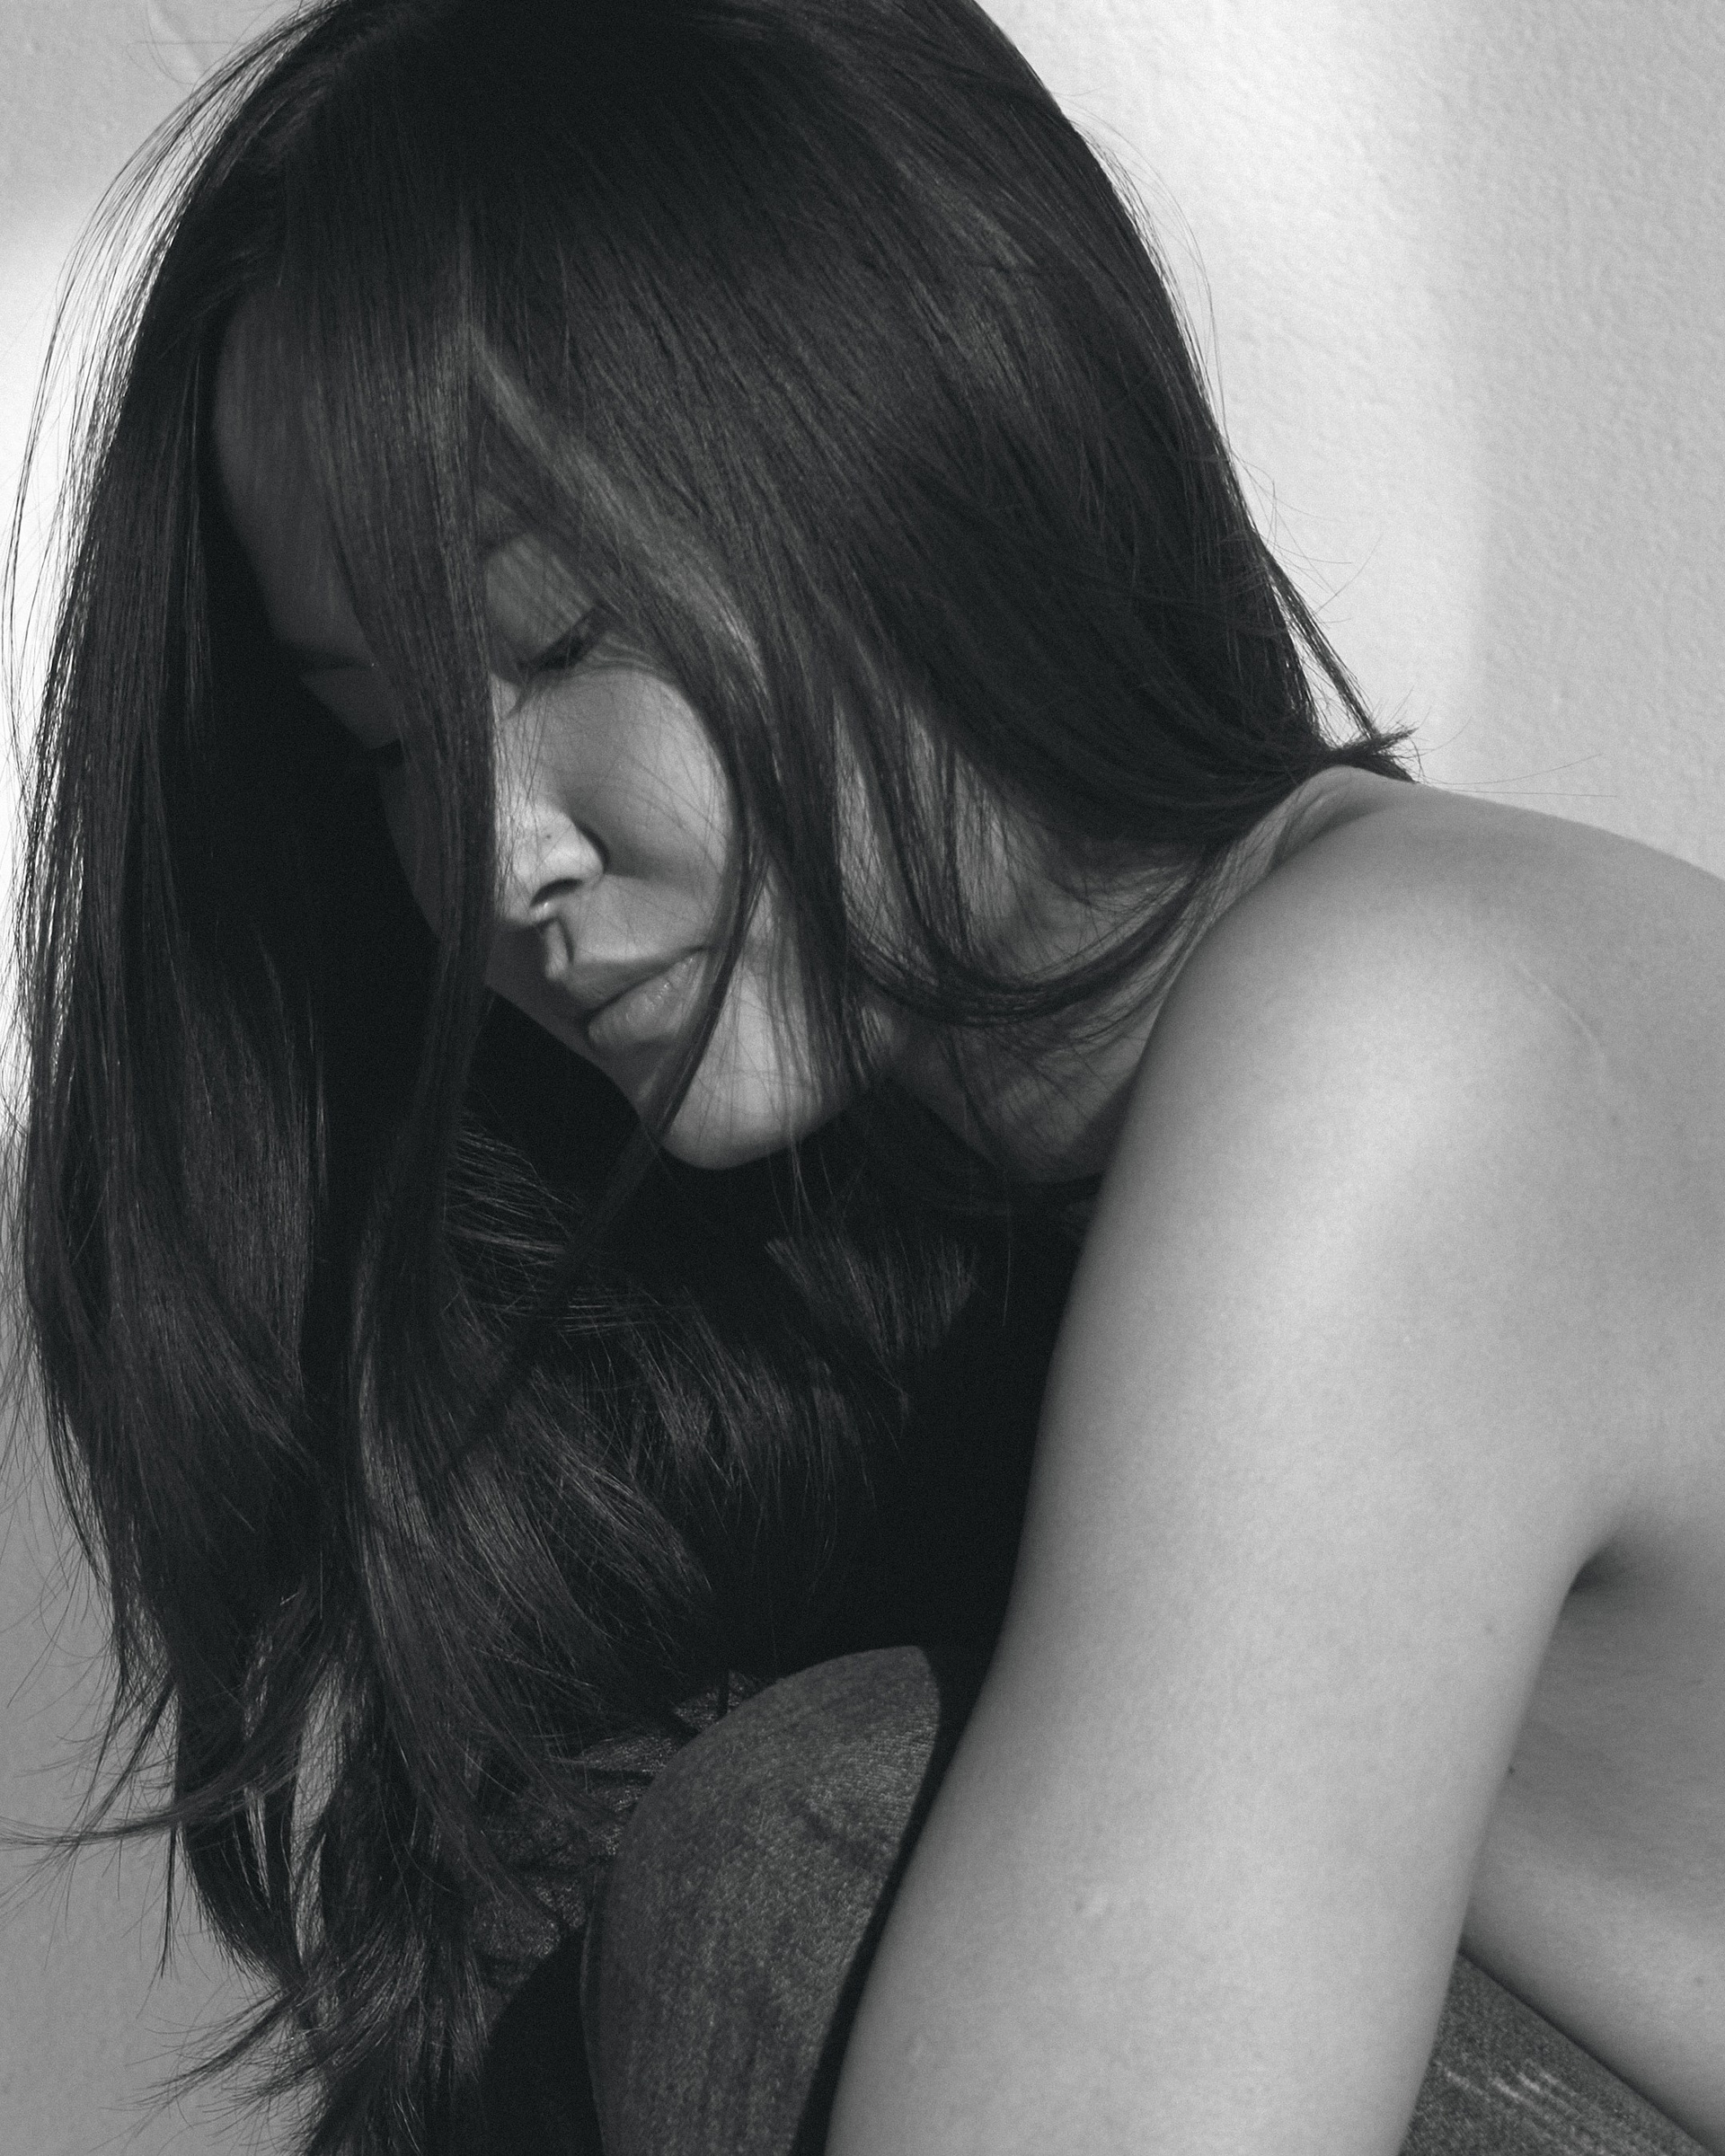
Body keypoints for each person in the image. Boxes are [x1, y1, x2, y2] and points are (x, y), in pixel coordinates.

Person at [10, 0, 1724, 2151]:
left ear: (921, 451)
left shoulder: (1427, 1035)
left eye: (560, 641)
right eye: (390, 738)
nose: (500, 857)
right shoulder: (877, 1241)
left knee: (800, 1852)